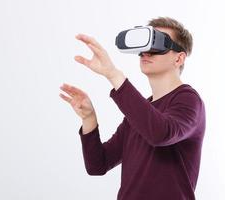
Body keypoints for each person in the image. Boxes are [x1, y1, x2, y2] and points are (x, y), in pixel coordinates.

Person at [59, 17, 206, 200]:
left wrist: (113, 75)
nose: (146, 52)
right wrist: (89, 118)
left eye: (157, 44)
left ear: (179, 58)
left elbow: (161, 134)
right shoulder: (138, 112)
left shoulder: (188, 100)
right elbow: (98, 165)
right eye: (145, 45)